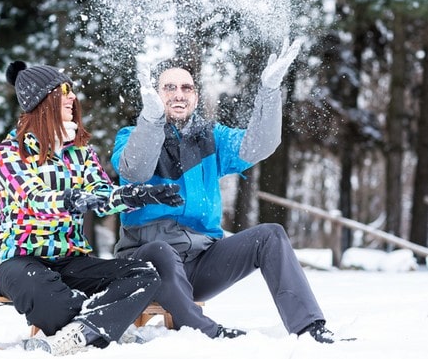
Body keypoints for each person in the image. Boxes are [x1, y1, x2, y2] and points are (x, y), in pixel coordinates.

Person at [111, 38, 338, 343]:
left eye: (186, 88)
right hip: (148, 263)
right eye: (169, 88)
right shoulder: (131, 136)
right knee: (161, 250)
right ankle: (206, 331)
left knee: (270, 236)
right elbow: (135, 170)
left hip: (200, 262)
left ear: (195, 96)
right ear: (155, 94)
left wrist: (270, 92)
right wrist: (151, 120)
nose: (179, 94)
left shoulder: (211, 138)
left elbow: (258, 146)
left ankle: (310, 329)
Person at [0, 60, 184, 356]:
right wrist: (72, 199)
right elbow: (33, 199)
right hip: (18, 260)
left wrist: (137, 196)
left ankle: (80, 333)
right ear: (43, 101)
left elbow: (101, 195)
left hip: (70, 259)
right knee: (43, 292)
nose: (72, 97)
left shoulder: (80, 153)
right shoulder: (10, 152)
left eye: (71, 91)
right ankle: (104, 327)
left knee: (144, 275)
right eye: (63, 91)